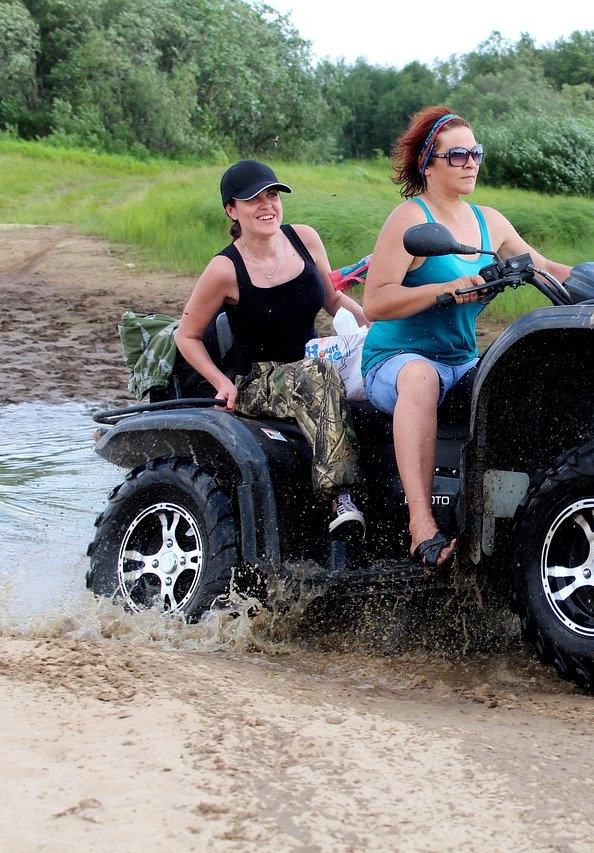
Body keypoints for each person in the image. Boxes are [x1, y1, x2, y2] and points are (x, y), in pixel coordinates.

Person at [362, 107, 572, 569]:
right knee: (420, 378)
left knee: (528, 369)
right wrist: (442, 289)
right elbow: (375, 302)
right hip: (397, 361)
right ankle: (421, 526)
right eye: (457, 154)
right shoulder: (409, 219)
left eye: (475, 152)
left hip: (461, 360)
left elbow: (549, 270)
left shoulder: (489, 222)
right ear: (428, 164)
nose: (470, 162)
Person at [175, 159, 370, 535]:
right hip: (257, 379)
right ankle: (340, 496)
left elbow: (333, 301)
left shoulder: (305, 238)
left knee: (374, 377)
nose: (267, 205)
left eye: (273, 195)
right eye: (253, 200)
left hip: (316, 363)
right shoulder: (225, 269)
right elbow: (187, 335)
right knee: (316, 375)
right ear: (232, 210)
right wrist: (221, 382)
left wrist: (374, 327)